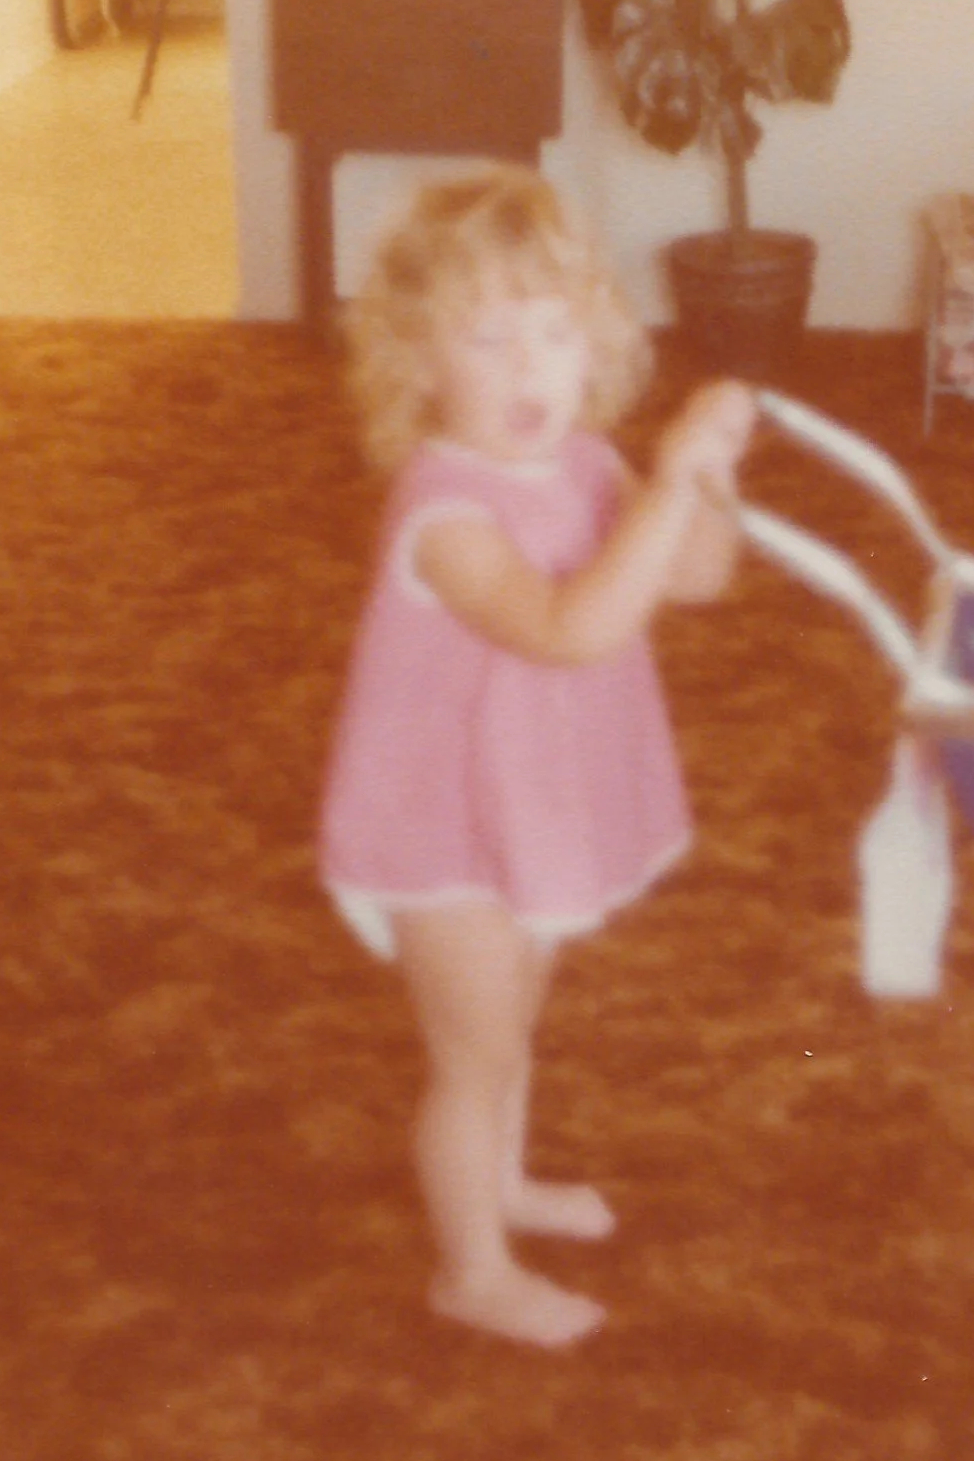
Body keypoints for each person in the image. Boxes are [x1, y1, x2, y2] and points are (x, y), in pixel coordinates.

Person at [320, 167, 756, 1348]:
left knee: (518, 1011)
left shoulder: (585, 463)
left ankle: (502, 1186)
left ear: (597, 343)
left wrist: (699, 482)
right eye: (489, 335)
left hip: (530, 806)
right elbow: (568, 632)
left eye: (557, 333)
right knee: (476, 1050)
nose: (530, 369)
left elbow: (701, 575)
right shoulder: (445, 513)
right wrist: (664, 487)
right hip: (438, 828)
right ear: (418, 359)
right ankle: (469, 1268)